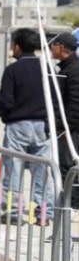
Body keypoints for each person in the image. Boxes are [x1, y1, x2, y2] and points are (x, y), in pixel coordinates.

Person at [0, 28, 54, 225]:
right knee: (43, 171)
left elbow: (6, 100)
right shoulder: (47, 69)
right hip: (42, 125)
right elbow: (54, 99)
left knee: (13, 169)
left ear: (17, 46)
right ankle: (44, 213)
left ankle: (13, 212)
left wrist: (6, 117)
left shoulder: (12, 70)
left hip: (17, 125)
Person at [50, 32, 79, 210]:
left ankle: (71, 205)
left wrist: (63, 126)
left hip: (71, 130)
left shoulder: (74, 70)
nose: (51, 49)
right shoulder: (66, 68)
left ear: (61, 47)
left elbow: (74, 103)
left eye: (53, 45)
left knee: (69, 168)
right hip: (67, 128)